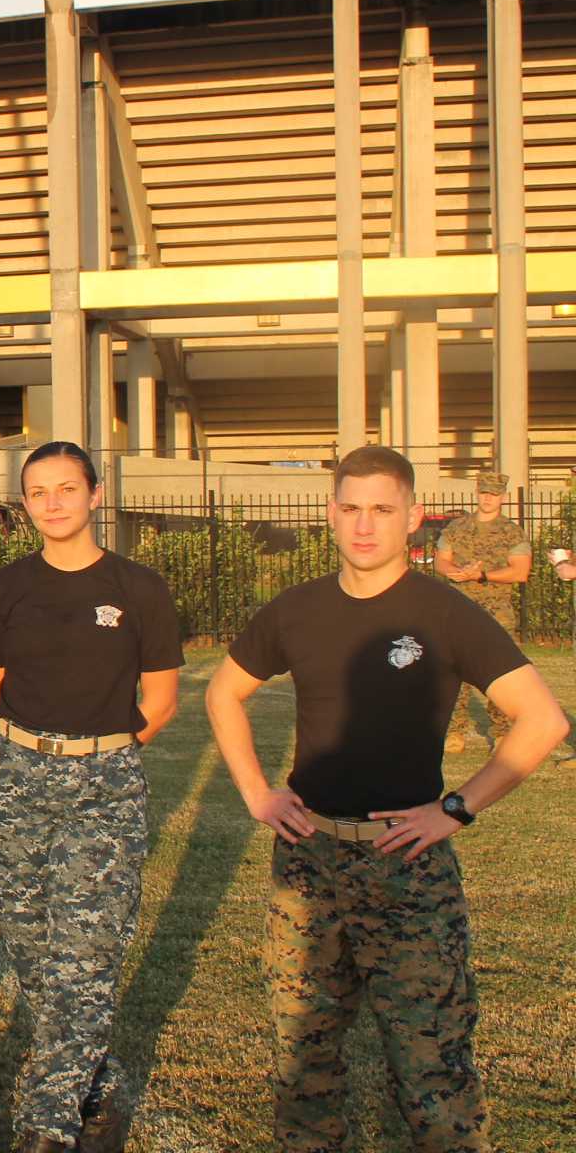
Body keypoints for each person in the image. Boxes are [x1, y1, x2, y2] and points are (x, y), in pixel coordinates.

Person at [205, 445, 568, 1153]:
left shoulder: (446, 612)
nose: (364, 525)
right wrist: (256, 792)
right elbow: (224, 692)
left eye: (381, 509)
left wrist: (456, 808)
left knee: (432, 1070)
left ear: (413, 518)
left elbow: (543, 720)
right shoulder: (296, 609)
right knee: (303, 1058)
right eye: (350, 508)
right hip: (309, 865)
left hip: (408, 870)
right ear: (330, 514)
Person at [0, 441, 181, 1153]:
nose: (54, 502)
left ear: (94, 492)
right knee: (33, 948)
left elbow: (162, 696)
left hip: (106, 784)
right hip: (15, 777)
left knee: (85, 953)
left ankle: (47, 1126)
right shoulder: (7, 587)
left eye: (67, 488)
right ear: (25, 503)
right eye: (39, 491)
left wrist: (101, 752)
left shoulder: (139, 586)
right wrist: (38, 751)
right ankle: (98, 1085)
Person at [436, 469, 530, 753]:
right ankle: (454, 731)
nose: (488, 499)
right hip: (461, 608)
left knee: (500, 672)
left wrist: (483, 575)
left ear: (502, 497)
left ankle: (501, 730)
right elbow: (441, 561)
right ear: (477, 493)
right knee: (456, 669)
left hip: (497, 609)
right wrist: (458, 572)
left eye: (494, 494)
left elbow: (520, 571)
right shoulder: (457, 528)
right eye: (484, 493)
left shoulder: (512, 531)